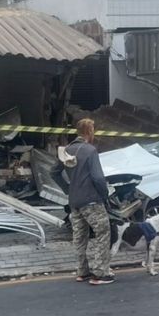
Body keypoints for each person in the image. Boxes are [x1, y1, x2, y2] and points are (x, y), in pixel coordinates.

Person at [54, 118, 115, 286]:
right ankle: (100, 273)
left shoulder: (66, 150)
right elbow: (97, 177)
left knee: (80, 237)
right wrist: (104, 195)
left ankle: (82, 271)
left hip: (74, 201)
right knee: (103, 233)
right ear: (89, 132)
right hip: (91, 200)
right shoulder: (90, 151)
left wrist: (67, 188)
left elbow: (54, 172)